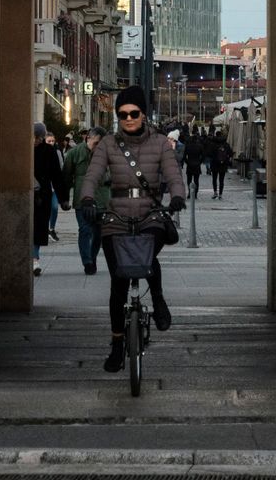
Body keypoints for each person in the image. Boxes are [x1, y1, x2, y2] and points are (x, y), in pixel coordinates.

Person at [79, 85, 186, 373]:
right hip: (117, 215)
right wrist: (87, 198)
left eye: (133, 113)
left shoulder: (162, 143)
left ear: (143, 114)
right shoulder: (108, 145)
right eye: (122, 114)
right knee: (118, 281)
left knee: (148, 254)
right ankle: (117, 344)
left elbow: (174, 174)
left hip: (151, 213)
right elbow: (92, 175)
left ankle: (159, 300)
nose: (128, 118)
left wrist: (177, 196)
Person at [63, 126, 108, 274]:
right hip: (82, 200)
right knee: (85, 230)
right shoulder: (74, 153)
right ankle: (87, 261)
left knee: (98, 233)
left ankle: (92, 256)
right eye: (96, 143)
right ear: (88, 138)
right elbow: (66, 177)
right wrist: (64, 199)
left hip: (102, 199)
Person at [33, 121, 70, 276]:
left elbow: (57, 176)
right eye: (34, 137)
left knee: (39, 227)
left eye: (38, 137)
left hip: (43, 195)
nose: (36, 140)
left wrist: (63, 199)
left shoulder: (49, 151)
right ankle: (32, 258)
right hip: (27, 194)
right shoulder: (21, 149)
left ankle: (34, 258)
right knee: (28, 227)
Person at [46, 130, 63, 242]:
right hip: (44, 187)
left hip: (54, 186)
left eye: (52, 141)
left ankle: (51, 228)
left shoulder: (57, 153)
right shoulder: (40, 152)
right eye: (49, 141)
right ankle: (45, 229)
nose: (51, 143)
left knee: (55, 208)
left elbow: (61, 167)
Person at [211, 131, 233, 200]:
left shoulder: (213, 144)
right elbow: (231, 153)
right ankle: (220, 194)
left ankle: (215, 192)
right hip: (223, 164)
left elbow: (209, 153)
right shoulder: (226, 144)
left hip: (214, 163)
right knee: (221, 180)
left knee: (214, 179)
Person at [183, 129, 203, 199]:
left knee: (189, 180)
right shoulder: (199, 146)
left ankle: (189, 193)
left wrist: (187, 162)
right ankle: (196, 194)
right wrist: (199, 162)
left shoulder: (188, 146)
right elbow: (203, 156)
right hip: (197, 165)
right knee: (196, 180)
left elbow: (184, 156)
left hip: (190, 165)